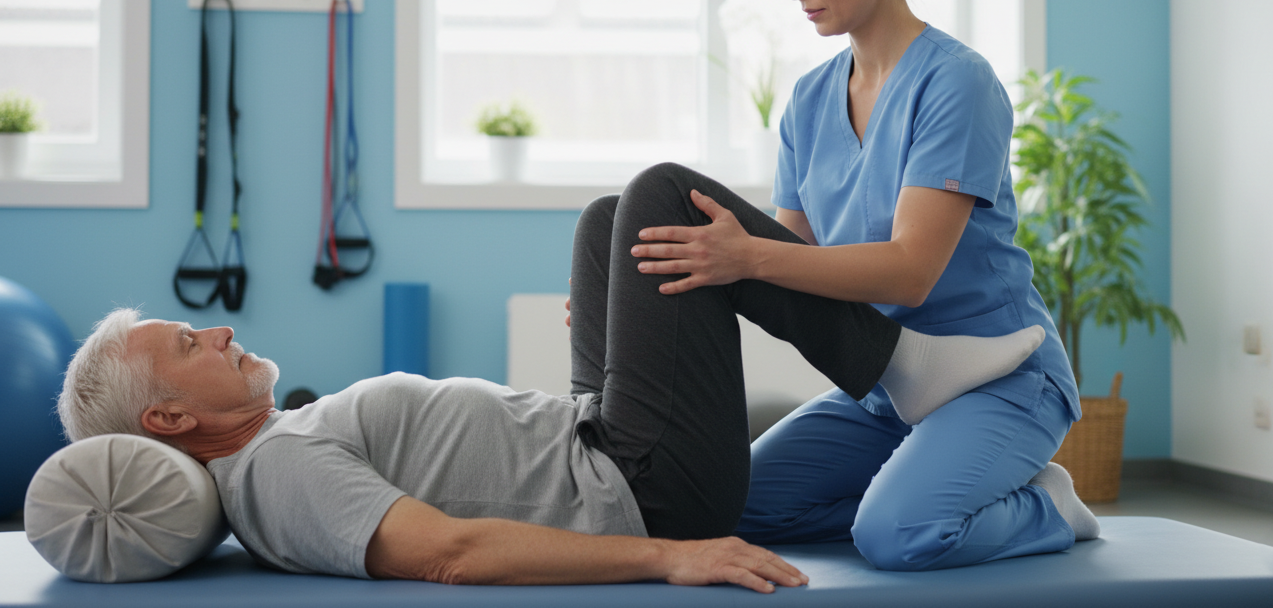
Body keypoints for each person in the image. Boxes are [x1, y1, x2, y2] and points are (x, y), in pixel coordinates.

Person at [57, 164, 1046, 592]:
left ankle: (895, 367)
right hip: (643, 493)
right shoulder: (274, 474)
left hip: (595, 441)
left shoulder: (273, 447)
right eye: (190, 342)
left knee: (609, 217)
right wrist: (675, 558)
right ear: (173, 415)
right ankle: (899, 364)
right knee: (664, 198)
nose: (219, 330)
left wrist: (618, 354)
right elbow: (447, 553)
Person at [623, 0, 1099, 571]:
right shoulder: (811, 100)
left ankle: (1045, 504)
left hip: (1001, 376)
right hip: (885, 389)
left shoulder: (955, 82)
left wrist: (748, 255)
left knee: (896, 536)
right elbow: (794, 263)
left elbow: (909, 272)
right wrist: (636, 294)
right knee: (733, 509)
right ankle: (929, 490)